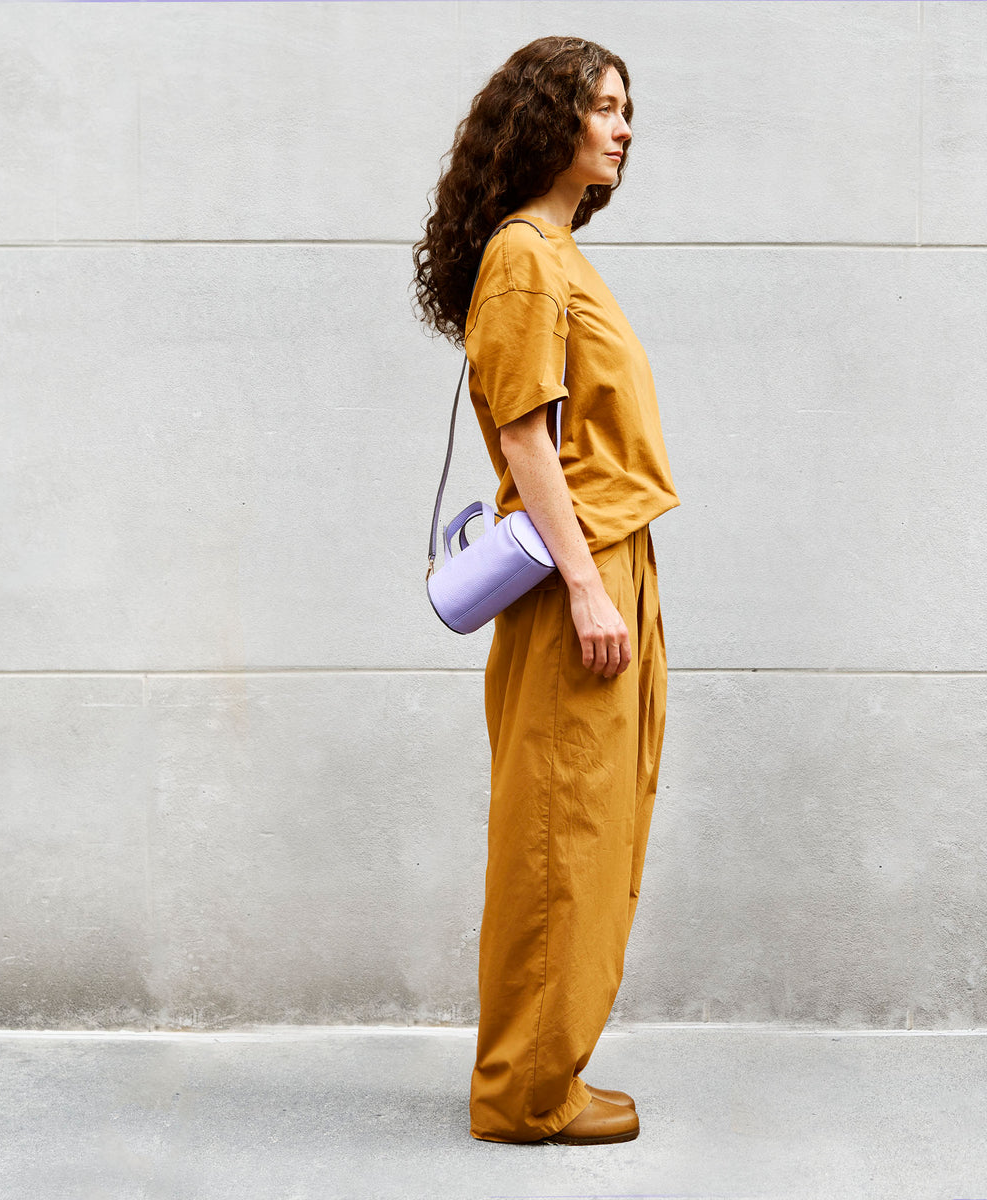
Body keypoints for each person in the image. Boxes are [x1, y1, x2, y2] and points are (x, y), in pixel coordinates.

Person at [412, 36, 679, 1146]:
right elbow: (527, 437)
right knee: (559, 831)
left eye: (627, 110)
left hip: (608, 559)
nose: (623, 127)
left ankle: (547, 1069)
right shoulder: (527, 256)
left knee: (594, 825)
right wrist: (584, 590)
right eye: (602, 107)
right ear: (547, 121)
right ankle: (523, 1092)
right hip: (579, 569)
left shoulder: (556, 254)